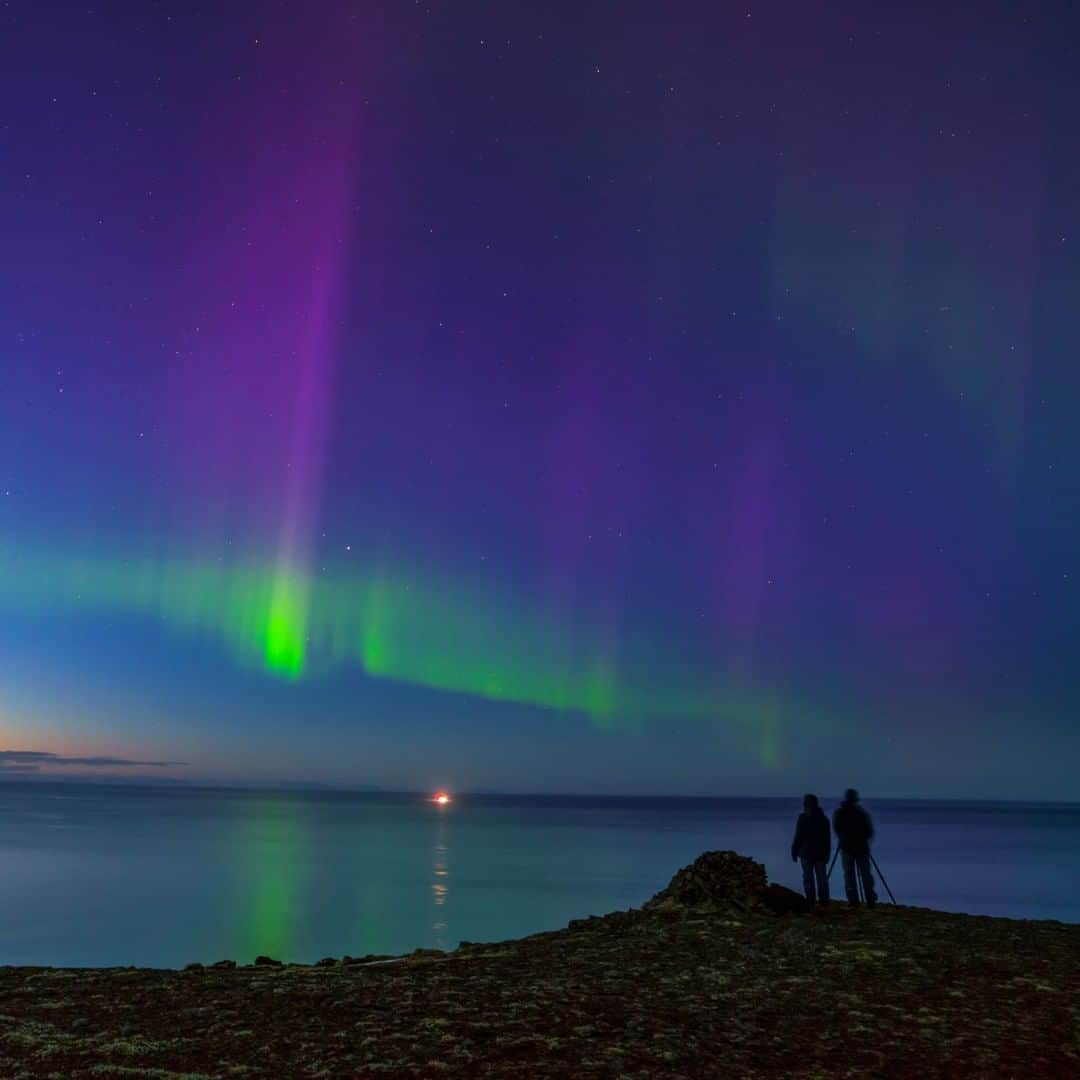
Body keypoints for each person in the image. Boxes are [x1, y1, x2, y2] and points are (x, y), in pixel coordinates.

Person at [832, 788, 877, 907]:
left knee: (849, 875)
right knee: (865, 874)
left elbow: (837, 829)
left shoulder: (840, 813)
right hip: (860, 848)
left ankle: (853, 900)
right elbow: (869, 831)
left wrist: (843, 837)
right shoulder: (861, 813)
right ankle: (869, 899)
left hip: (847, 848)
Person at [790, 793, 831, 904]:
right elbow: (827, 839)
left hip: (807, 852)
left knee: (809, 878)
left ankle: (811, 900)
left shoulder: (803, 818)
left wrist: (794, 851)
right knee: (821, 878)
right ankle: (823, 900)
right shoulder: (824, 819)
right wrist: (827, 854)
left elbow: (798, 836)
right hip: (819, 853)